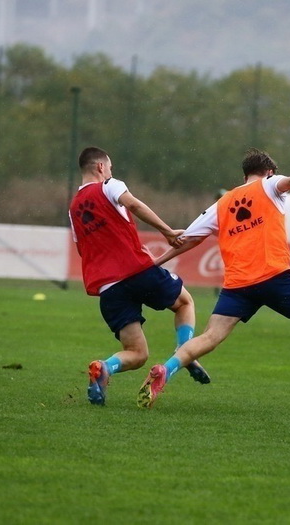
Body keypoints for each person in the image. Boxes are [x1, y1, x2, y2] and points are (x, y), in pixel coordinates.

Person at [136, 148, 290, 412]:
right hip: (273, 277)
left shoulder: (222, 203)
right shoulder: (269, 185)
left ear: (245, 173)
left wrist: (155, 263)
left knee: (211, 336)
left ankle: (166, 369)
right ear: (269, 171)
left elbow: (188, 239)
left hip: (238, 285)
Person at [68, 146, 210, 406]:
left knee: (136, 353)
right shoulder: (109, 185)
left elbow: (82, 248)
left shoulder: (73, 207)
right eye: (109, 167)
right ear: (101, 167)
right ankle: (184, 351)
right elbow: (133, 204)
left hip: (108, 287)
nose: (110, 171)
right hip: (136, 271)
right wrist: (167, 231)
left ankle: (105, 367)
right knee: (185, 302)